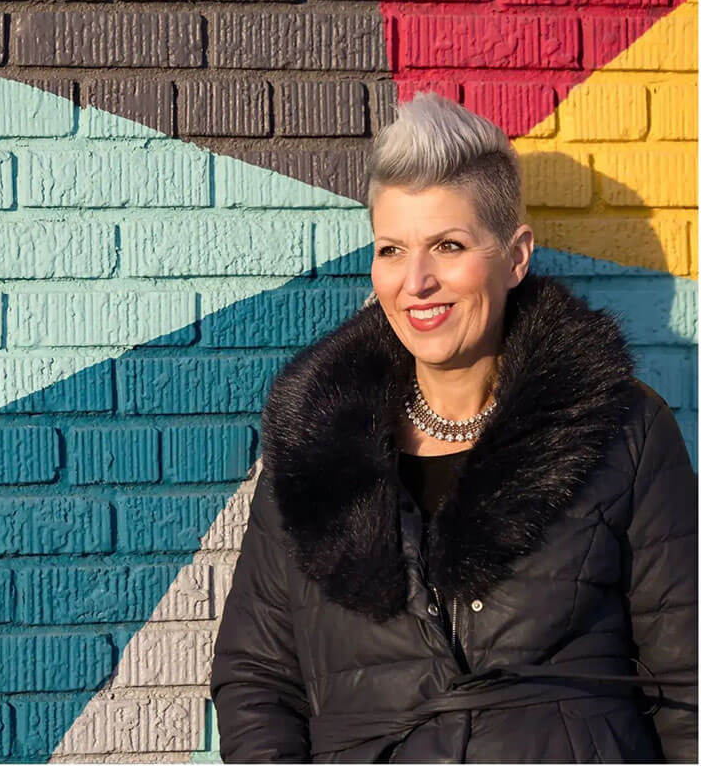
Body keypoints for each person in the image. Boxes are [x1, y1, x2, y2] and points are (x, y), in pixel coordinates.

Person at [209, 92, 698, 763]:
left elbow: (688, 680)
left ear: (515, 256)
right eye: (392, 249)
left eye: (448, 246)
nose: (416, 282)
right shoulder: (316, 451)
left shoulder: (623, 431)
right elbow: (256, 681)